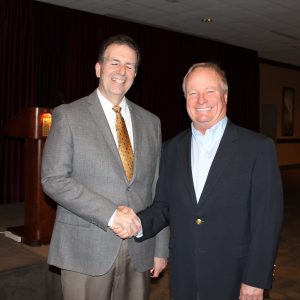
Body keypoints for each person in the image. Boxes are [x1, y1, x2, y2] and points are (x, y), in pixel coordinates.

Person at [128, 62, 283, 299]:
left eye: (209, 91)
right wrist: (136, 223)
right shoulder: (171, 149)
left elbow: (266, 221)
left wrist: (255, 277)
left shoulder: (257, 148)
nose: (201, 100)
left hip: (235, 276)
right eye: (193, 93)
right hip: (185, 275)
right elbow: (164, 207)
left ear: (225, 96)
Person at [41, 34, 169, 300]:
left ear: (136, 74)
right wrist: (111, 214)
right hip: (85, 248)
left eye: (130, 66)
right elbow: (53, 179)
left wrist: (161, 247)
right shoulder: (69, 115)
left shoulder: (151, 122)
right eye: (115, 63)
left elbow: (159, 189)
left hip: (139, 248)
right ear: (99, 68)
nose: (122, 71)